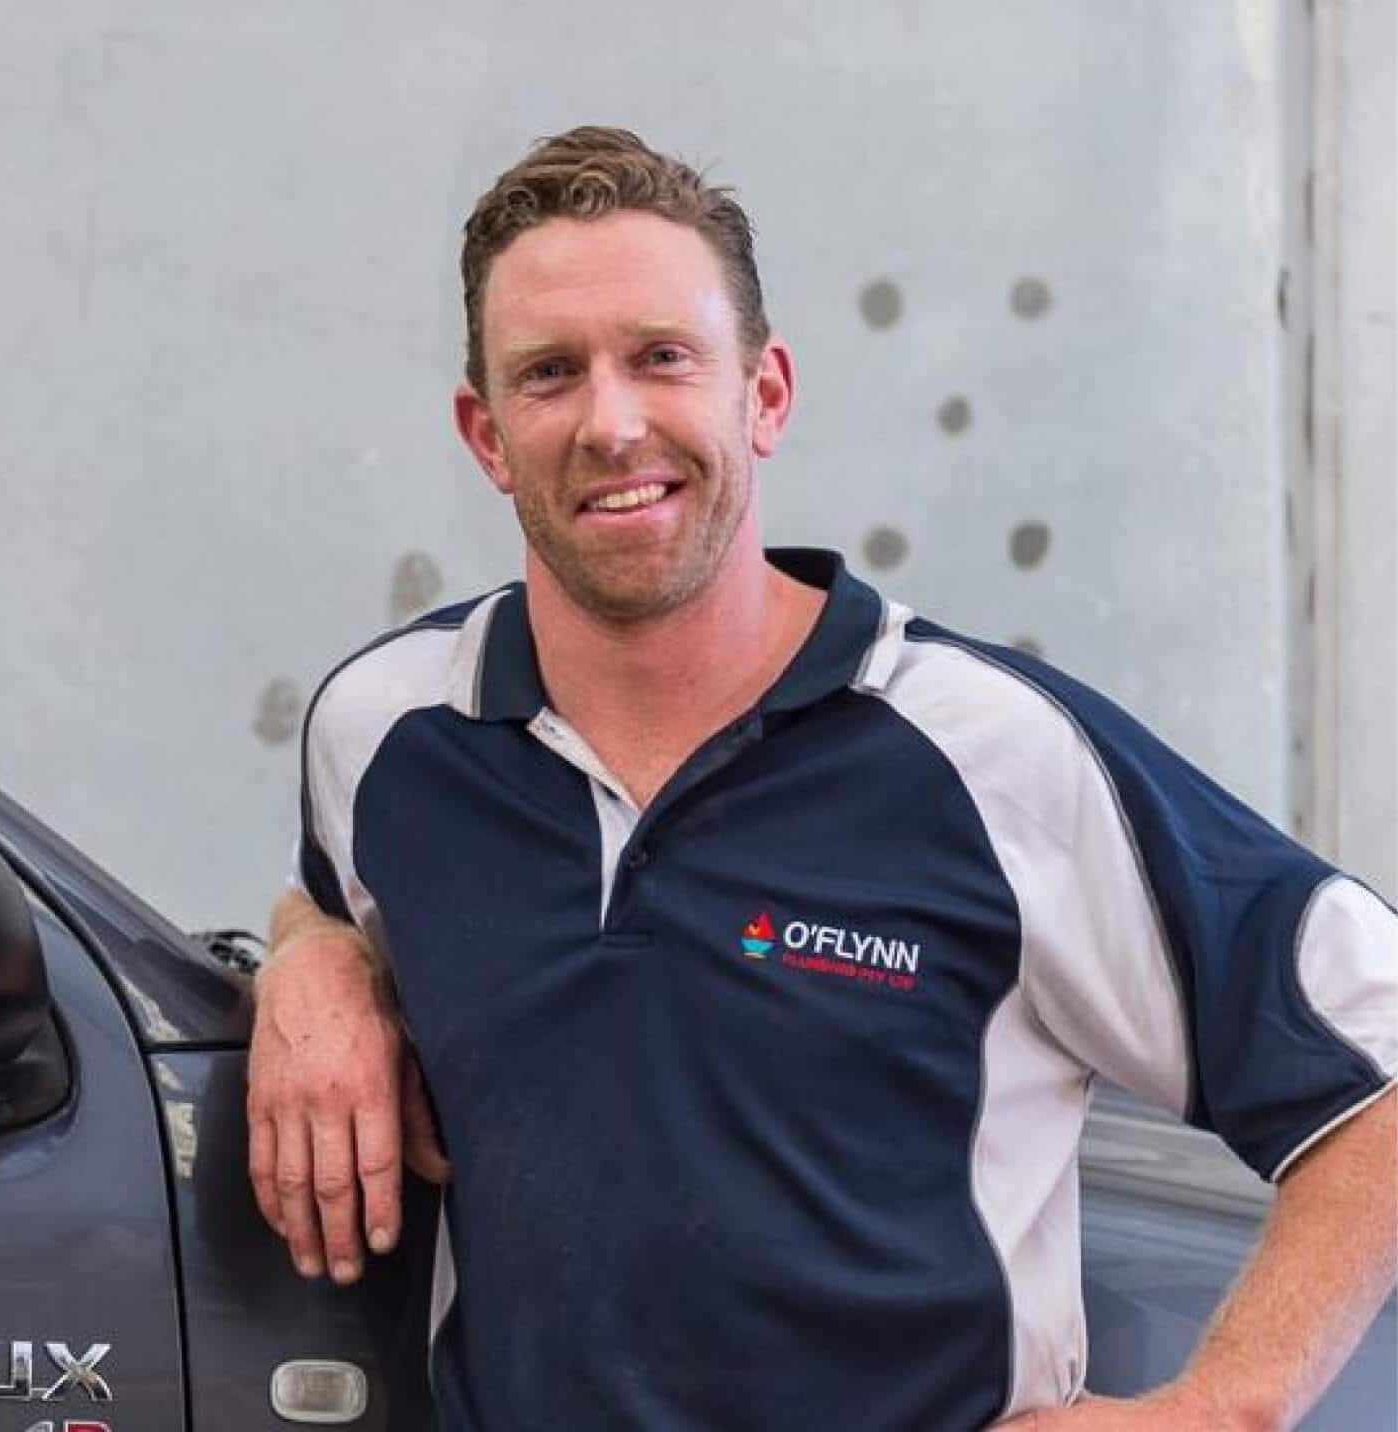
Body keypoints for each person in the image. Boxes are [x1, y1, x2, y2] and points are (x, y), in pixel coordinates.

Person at [246, 126, 1396, 1429]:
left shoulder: (988, 756)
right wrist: (311, 955)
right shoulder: (386, 732)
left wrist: (1222, 1408)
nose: (613, 423)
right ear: (487, 433)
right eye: (551, 374)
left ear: (767, 394)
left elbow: (1383, 1058)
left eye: (662, 358)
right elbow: (341, 900)